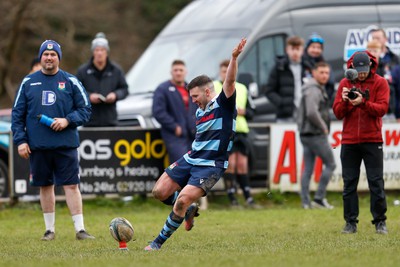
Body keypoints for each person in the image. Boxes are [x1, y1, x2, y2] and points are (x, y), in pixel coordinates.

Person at [144, 38, 247, 251]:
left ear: (208, 92)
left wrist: (234, 58)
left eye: (195, 96)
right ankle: (189, 209)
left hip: (210, 165)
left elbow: (229, 82)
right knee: (159, 192)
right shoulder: (200, 111)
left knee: (180, 201)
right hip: (191, 158)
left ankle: (157, 243)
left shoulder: (223, 105)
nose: (193, 101)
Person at [11, 40, 95, 241]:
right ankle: (49, 230)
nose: (49, 58)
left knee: (71, 185)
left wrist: (67, 120)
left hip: (65, 145)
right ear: (41, 57)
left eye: (53, 55)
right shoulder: (28, 82)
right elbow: (17, 115)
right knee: (45, 186)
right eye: (46, 55)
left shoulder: (71, 81)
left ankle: (80, 230)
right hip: (38, 146)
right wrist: (21, 141)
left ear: (59, 58)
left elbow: (86, 110)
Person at [333, 51, 389, 234]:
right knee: (349, 184)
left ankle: (380, 222)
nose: (363, 74)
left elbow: (382, 109)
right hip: (349, 141)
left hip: (372, 140)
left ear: (371, 66)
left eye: (365, 70)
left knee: (376, 183)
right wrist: (346, 101)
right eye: (359, 70)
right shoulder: (344, 83)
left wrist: (363, 102)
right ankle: (350, 223)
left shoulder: (380, 83)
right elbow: (337, 112)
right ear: (352, 68)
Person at [213, 59, 257, 207]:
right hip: (224, 131)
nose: (227, 74)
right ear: (220, 73)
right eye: (224, 72)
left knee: (242, 164)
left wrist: (244, 112)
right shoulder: (214, 86)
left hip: (241, 131)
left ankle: (248, 197)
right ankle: (232, 197)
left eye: (229, 71)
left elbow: (252, 111)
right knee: (230, 164)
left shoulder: (242, 88)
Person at [297, 62, 336, 210]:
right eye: (321, 72)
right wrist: (323, 127)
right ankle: (319, 198)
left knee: (308, 168)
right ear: (314, 73)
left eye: (327, 72)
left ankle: (306, 202)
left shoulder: (313, 88)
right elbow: (312, 112)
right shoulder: (314, 89)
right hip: (314, 134)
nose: (325, 75)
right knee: (331, 164)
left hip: (306, 133)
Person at [76, 32, 128, 126]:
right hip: (89, 122)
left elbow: (124, 89)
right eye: (97, 50)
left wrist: (115, 95)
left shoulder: (116, 70)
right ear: (93, 52)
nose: (99, 53)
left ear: (106, 52)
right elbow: (75, 92)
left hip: (111, 121)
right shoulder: (82, 71)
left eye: (102, 50)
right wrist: (89, 97)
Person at [152, 60, 197, 163]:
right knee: (181, 165)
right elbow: (158, 112)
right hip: (175, 136)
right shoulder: (163, 89)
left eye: (181, 70)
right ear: (171, 72)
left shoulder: (191, 89)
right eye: (175, 70)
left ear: (186, 72)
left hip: (193, 136)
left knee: (194, 166)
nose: (178, 73)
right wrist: (174, 127)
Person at [265, 36, 307, 122]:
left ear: (302, 51)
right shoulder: (280, 67)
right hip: (285, 116)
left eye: (298, 49)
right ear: (287, 50)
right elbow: (269, 90)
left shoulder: (307, 67)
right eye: (292, 49)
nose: (295, 52)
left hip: (304, 114)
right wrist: (281, 102)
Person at [366, 39, 396, 120]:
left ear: (380, 52)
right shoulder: (365, 67)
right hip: (370, 105)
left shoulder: (385, 66)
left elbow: (391, 87)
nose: (372, 53)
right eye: (370, 51)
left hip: (384, 105)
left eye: (375, 51)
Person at [302, 33, 335, 101]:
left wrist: (325, 98)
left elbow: (331, 83)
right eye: (313, 47)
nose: (316, 50)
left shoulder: (325, 64)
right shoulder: (301, 63)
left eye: (318, 48)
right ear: (307, 48)